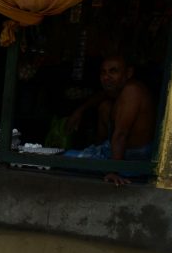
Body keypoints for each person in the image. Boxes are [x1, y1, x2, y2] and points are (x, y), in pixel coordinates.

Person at [67, 55, 157, 185]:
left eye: (113, 71)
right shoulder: (121, 89)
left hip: (132, 159)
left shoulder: (132, 91)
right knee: (105, 106)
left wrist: (113, 171)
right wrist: (79, 111)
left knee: (64, 157)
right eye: (103, 72)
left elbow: (121, 134)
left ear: (128, 73)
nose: (106, 77)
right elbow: (103, 95)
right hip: (119, 153)